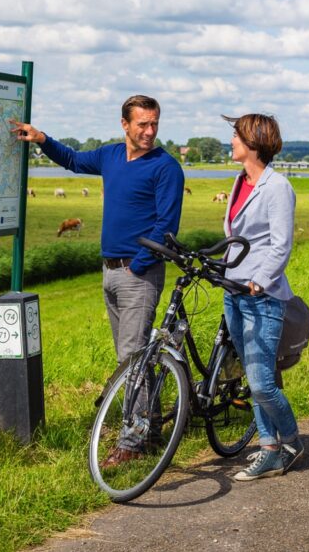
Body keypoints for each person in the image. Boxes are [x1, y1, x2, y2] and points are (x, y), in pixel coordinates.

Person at [10, 95, 184, 466]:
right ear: (124, 124)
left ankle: (133, 442)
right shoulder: (110, 156)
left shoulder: (166, 168)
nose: (150, 131)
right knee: (134, 357)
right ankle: (150, 429)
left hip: (139, 274)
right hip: (110, 271)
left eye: (154, 124)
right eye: (142, 124)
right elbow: (73, 160)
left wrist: (137, 265)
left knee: (131, 357)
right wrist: (42, 139)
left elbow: (166, 226)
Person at [220, 113, 303, 481]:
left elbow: (281, 244)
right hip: (233, 293)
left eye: (236, 136)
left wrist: (259, 280)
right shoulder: (240, 183)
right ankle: (269, 449)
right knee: (252, 379)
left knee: (261, 382)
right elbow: (238, 239)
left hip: (261, 297)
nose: (231, 141)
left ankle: (292, 441)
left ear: (253, 143)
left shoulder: (276, 187)